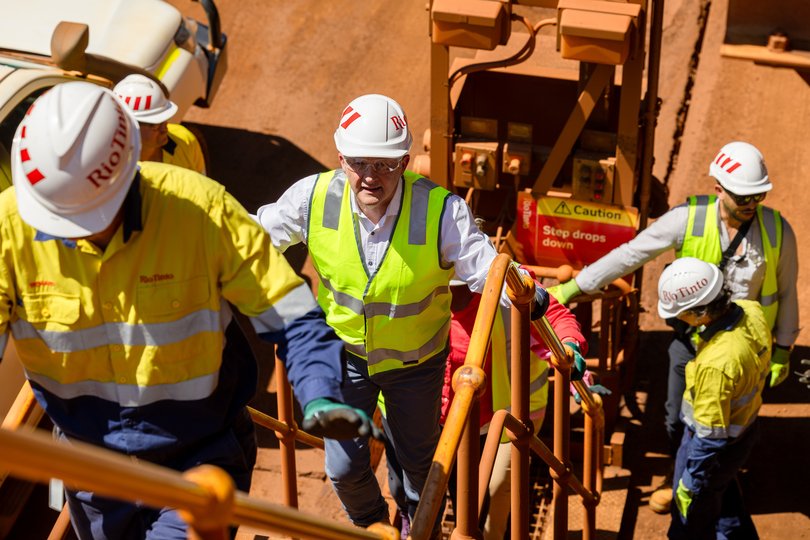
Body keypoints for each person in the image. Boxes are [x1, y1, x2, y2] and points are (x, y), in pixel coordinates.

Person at [1, 81, 375, 540]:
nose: (75, 237)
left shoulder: (199, 210)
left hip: (199, 459)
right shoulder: (9, 230)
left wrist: (319, 391)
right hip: (92, 472)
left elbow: (293, 315)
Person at [254, 93, 553, 536]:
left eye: (386, 165)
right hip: (346, 358)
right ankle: (375, 527)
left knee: (417, 469)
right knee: (341, 468)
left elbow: (482, 266)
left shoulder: (440, 211)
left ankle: (420, 528)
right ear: (341, 157)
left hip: (416, 367)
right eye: (359, 163)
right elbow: (253, 236)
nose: (370, 177)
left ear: (406, 161)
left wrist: (524, 292)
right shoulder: (313, 198)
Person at [548, 141, 799, 512]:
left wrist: (782, 349)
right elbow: (633, 253)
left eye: (758, 195)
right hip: (690, 340)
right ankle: (678, 476)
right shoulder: (689, 219)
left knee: (736, 419)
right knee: (677, 415)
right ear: (719, 189)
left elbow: (787, 293)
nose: (751, 204)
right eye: (742, 196)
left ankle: (720, 485)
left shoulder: (778, 232)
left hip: (741, 343)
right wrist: (575, 287)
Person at [656, 258, 770, 539]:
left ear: (700, 313)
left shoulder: (716, 365)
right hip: (745, 430)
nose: (677, 319)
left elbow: (708, 438)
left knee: (690, 522)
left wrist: (690, 483)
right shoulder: (750, 310)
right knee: (724, 497)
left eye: (681, 313)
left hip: (711, 449)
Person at [114, 73, 207, 174]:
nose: (164, 129)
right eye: (155, 125)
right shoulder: (109, 165)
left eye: (165, 119)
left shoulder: (185, 140)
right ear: (128, 126)